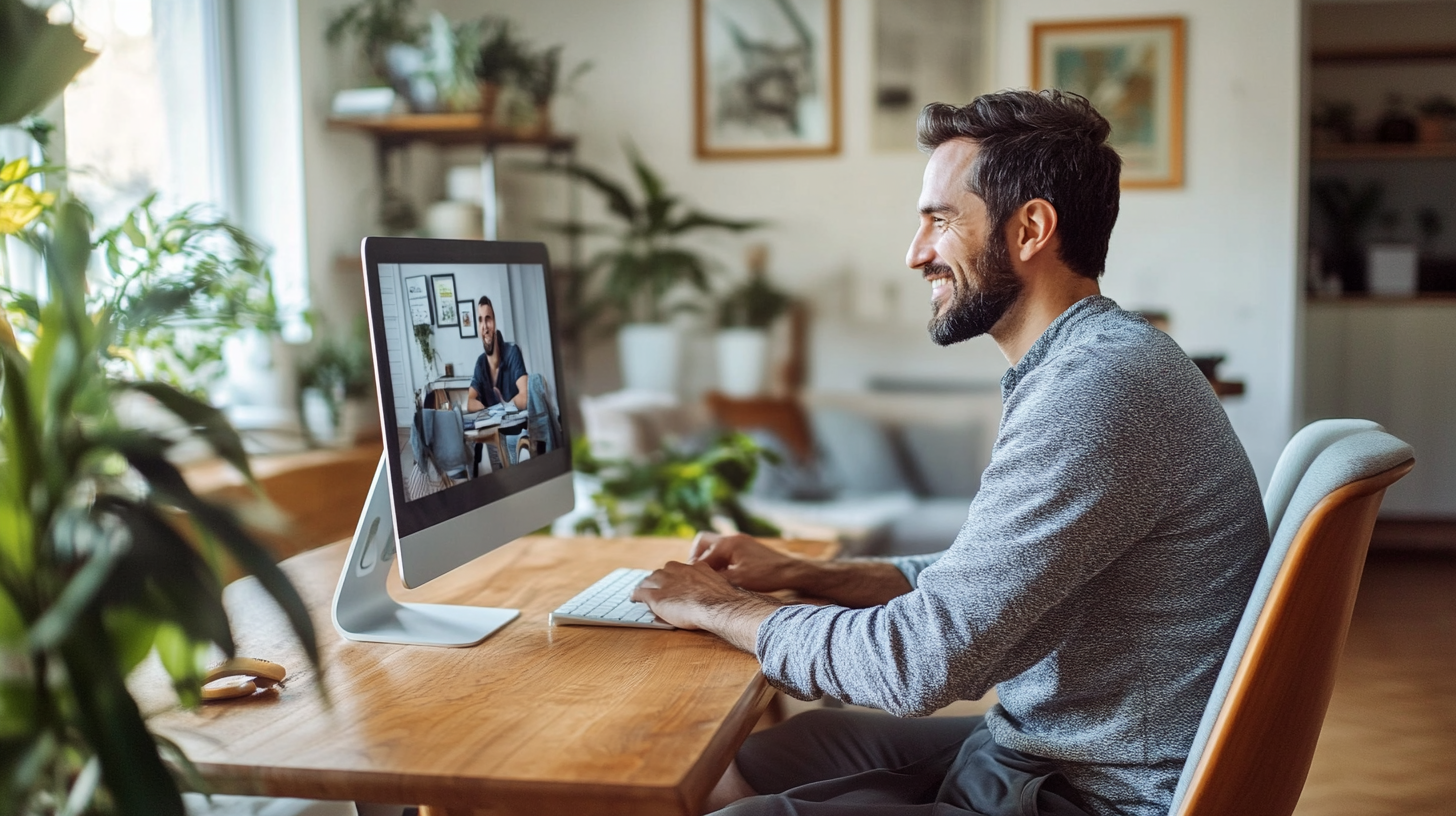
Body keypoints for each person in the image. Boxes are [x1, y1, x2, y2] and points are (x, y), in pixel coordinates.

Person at [630, 90, 1269, 816]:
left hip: (1094, 791)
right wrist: (807, 573)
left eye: (939, 220)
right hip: (1042, 747)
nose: (915, 254)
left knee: (727, 796)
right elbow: (978, 584)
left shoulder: (1097, 387)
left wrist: (719, 610)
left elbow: (918, 664)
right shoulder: (1093, 361)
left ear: (1030, 228)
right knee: (735, 761)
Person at [466, 295, 527, 412]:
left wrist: (505, 407)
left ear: (495, 323)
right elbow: (470, 403)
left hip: (516, 430)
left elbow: (525, 397)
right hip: (494, 430)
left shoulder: (512, 352)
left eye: (488, 319)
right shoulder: (480, 363)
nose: (485, 327)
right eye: (480, 320)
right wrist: (491, 412)